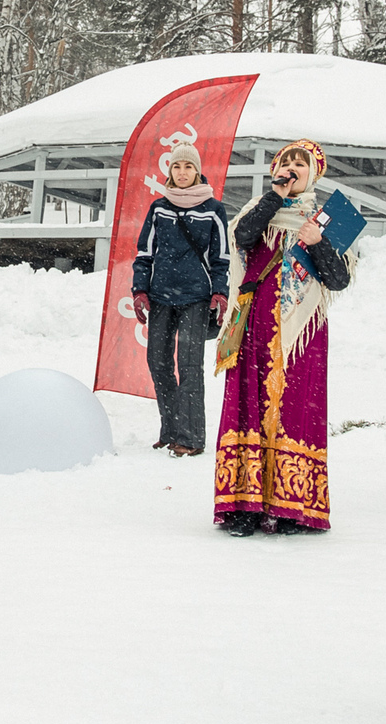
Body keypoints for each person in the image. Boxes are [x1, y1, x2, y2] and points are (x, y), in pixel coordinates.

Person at [212, 139, 353, 536]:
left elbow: (338, 279)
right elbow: (243, 240)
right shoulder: (260, 208)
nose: (292, 169)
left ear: (315, 172)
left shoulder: (331, 217)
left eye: (300, 164)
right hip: (255, 320)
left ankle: (292, 505)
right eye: (285, 162)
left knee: (295, 408)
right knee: (249, 405)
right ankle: (244, 504)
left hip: (301, 331)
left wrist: (316, 243)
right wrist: (274, 198)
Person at [131, 142, 230, 456]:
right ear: (170, 171)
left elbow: (221, 258)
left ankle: (190, 438)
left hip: (196, 299)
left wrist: (220, 293)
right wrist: (139, 291)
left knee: (189, 366)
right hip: (161, 297)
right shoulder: (159, 207)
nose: (183, 172)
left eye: (188, 167)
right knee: (157, 363)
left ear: (197, 171)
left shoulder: (214, 210)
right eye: (177, 166)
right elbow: (144, 253)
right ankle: (171, 429)